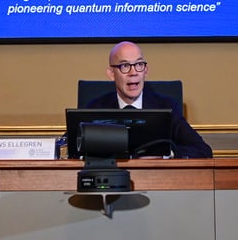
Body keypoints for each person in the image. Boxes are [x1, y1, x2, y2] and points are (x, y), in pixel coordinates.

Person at [83, 41, 212, 158]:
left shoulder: (166, 107)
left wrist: (165, 153)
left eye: (139, 65)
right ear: (111, 74)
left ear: (145, 70)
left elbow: (203, 150)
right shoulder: (95, 108)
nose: (133, 72)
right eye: (125, 66)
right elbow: (74, 151)